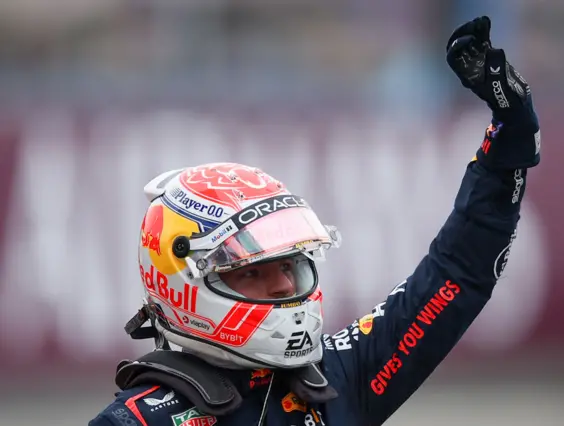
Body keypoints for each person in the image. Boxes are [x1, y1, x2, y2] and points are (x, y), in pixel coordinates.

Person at [89, 16, 541, 426]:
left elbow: (456, 274)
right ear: (186, 286)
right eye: (254, 271)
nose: (286, 285)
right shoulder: (135, 423)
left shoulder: (337, 382)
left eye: (287, 264)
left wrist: (509, 140)